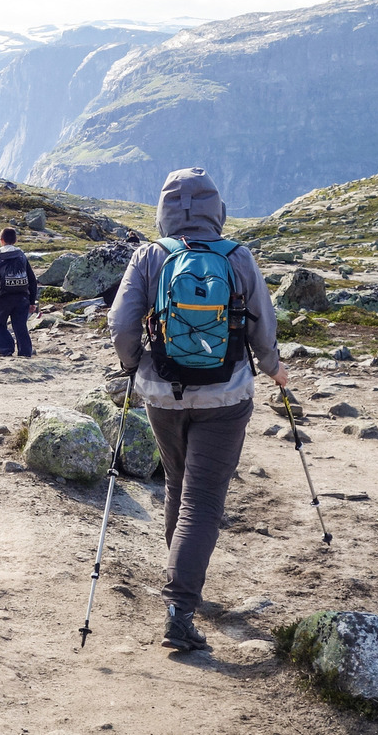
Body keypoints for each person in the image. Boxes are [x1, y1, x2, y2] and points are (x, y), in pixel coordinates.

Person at [108, 166, 286, 653]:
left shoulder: (150, 256)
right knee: (203, 501)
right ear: (217, 211)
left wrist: (135, 366)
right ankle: (180, 608)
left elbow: (121, 324)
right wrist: (274, 368)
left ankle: (179, 585)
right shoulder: (239, 257)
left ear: (164, 212)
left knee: (177, 486)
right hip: (226, 396)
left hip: (162, 395)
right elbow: (262, 328)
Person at [0, 227, 37, 356]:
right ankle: (25, 353)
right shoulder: (21, 254)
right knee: (20, 326)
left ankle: (6, 350)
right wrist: (32, 301)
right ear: (15, 240)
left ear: (1, 240)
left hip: (3, 297)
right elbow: (32, 279)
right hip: (22, 296)